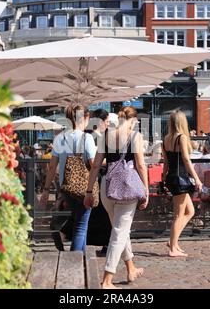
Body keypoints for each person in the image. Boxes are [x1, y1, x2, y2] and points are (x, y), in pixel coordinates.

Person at [84, 106, 149, 289]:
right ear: (134, 120)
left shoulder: (106, 136)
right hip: (127, 187)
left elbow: (96, 166)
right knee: (119, 232)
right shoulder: (134, 136)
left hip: (107, 186)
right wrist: (146, 190)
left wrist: (89, 191)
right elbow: (141, 165)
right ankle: (107, 279)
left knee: (120, 229)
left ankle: (131, 269)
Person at [40, 105, 96, 251]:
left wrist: (46, 190)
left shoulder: (60, 138)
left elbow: (52, 167)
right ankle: (74, 263)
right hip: (85, 188)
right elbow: (93, 164)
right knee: (81, 227)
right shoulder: (87, 138)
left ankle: (81, 260)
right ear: (84, 118)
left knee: (79, 223)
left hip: (66, 188)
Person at [162, 110, 202, 257]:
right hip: (181, 179)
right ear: (182, 122)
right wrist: (197, 178)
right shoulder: (182, 138)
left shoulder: (166, 139)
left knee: (189, 211)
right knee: (179, 215)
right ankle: (172, 247)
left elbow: (166, 162)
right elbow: (186, 160)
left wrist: (163, 178)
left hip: (172, 178)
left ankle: (174, 240)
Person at [86, 109, 112, 254]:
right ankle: (107, 244)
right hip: (97, 178)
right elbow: (94, 162)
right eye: (107, 122)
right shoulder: (94, 138)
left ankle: (106, 244)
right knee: (103, 214)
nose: (108, 125)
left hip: (96, 178)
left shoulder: (95, 137)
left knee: (99, 214)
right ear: (100, 122)